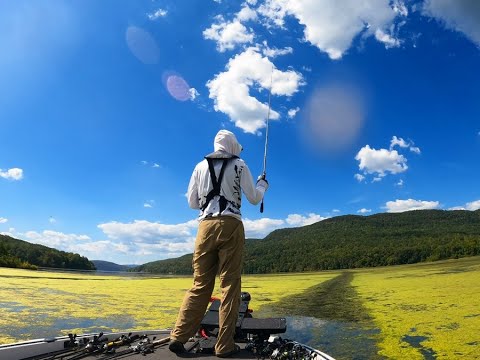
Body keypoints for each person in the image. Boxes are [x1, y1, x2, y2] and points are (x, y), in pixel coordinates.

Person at [169, 129, 269, 357]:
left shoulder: (199, 167)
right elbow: (254, 198)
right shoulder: (240, 164)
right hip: (231, 225)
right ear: (232, 145)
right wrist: (262, 185)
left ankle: (178, 336)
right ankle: (224, 345)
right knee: (230, 286)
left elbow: (192, 203)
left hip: (205, 227)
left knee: (200, 285)